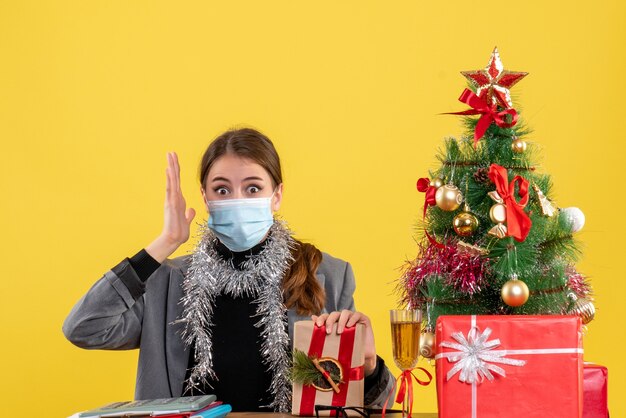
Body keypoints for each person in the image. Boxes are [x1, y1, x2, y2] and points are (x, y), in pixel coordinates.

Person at [63, 127, 394, 412]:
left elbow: (375, 406)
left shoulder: (328, 276)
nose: (237, 199)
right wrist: (164, 243)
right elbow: (84, 327)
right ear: (206, 199)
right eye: (222, 189)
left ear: (276, 196)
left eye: (253, 188)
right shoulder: (168, 281)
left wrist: (366, 368)